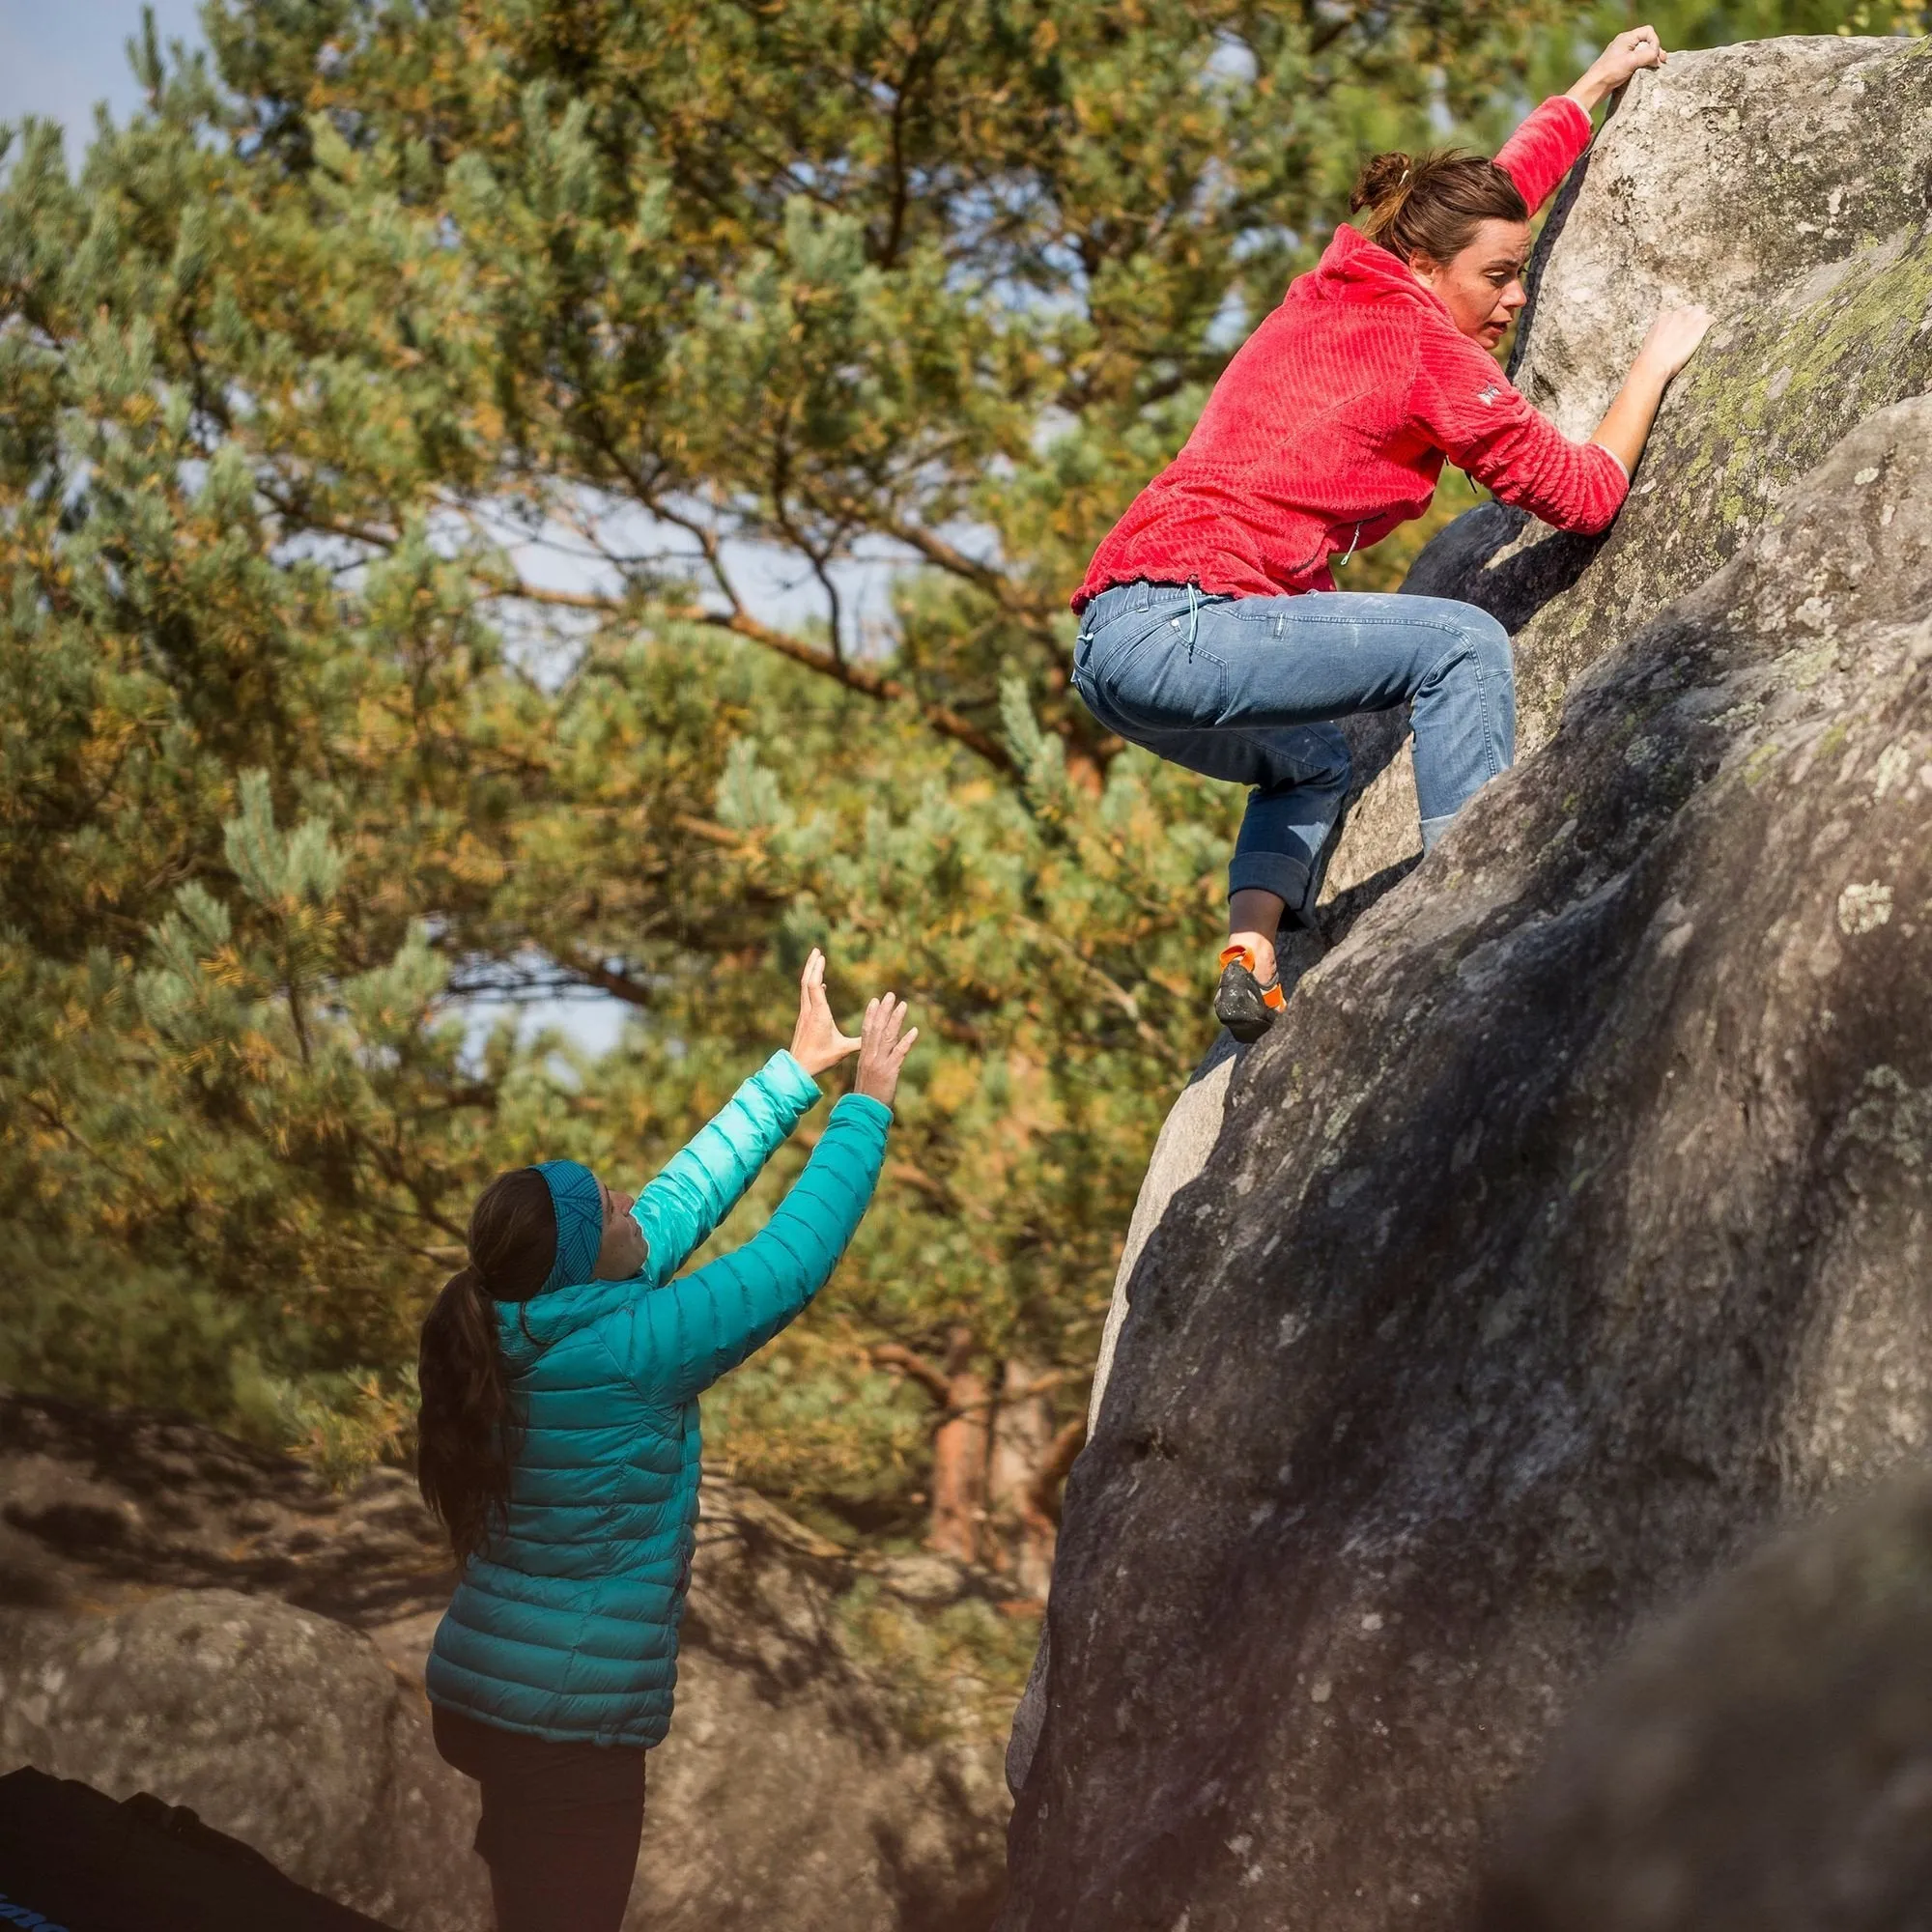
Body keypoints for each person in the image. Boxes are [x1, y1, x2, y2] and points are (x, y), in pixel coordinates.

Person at [1070, 26, 1714, 1042]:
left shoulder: (1348, 282)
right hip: (1188, 622)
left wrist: (1588, 86)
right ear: (1425, 267)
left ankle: (1249, 949)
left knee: (1314, 758)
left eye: (1518, 276)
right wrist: (1652, 365)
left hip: (1112, 645)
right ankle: (1472, 911)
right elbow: (1584, 497)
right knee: (1460, 641)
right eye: (1499, 279)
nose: (1513, 296)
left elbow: (1489, 194)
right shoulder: (1430, 351)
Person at [414, 952, 918, 1932]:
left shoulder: (518, 1320)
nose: (625, 1204)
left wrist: (792, 1071)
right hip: (562, 1727)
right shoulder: (628, 1349)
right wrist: (863, 1108)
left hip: (486, 1695)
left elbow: (676, 1198)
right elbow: (788, 1259)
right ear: (578, 1259)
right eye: (605, 1205)